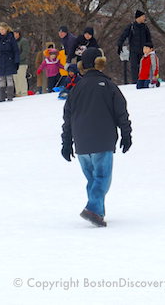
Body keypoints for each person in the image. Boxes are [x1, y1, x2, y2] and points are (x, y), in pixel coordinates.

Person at [61, 48, 133, 228]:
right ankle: (92, 209)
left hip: (82, 144)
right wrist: (126, 134)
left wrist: (66, 143)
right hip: (102, 140)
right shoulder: (108, 86)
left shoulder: (75, 89)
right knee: (102, 178)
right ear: (99, 63)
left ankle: (98, 214)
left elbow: (67, 118)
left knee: (93, 180)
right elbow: (121, 112)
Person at [0, 22, 20, 102]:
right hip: (0, 59)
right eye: (0, 29)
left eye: (2, 29)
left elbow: (16, 50)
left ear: (6, 29)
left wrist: (16, 61)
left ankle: (9, 96)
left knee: (9, 78)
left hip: (9, 59)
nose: (1, 31)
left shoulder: (11, 37)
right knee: (1, 78)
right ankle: (1, 96)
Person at [117, 10, 152, 84]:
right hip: (134, 50)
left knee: (143, 66)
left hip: (144, 50)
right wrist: (119, 45)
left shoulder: (145, 27)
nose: (144, 18)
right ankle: (135, 82)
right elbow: (123, 35)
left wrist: (150, 47)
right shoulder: (131, 26)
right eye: (143, 17)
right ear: (138, 17)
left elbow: (149, 38)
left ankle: (143, 80)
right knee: (134, 67)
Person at [13, 30, 30, 96]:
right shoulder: (13, 42)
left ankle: (23, 92)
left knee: (21, 78)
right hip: (14, 64)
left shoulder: (23, 41)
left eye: (16, 33)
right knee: (16, 79)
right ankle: (18, 92)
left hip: (22, 63)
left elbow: (25, 52)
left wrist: (17, 59)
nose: (15, 35)